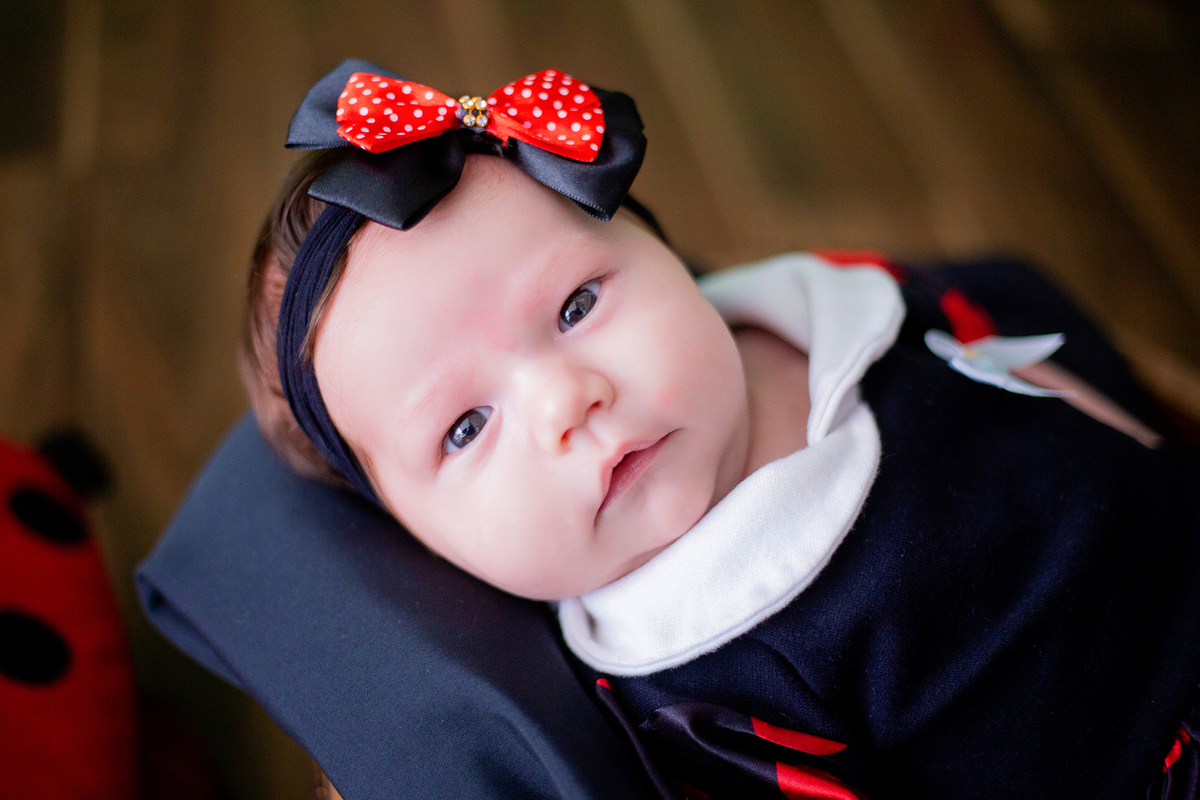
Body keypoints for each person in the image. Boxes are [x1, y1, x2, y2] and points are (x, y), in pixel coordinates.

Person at [240, 59, 1200, 799]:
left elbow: (1005, 355)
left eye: (576, 305)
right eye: (465, 429)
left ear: (662, 253)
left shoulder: (825, 305)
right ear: (416, 539)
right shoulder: (702, 687)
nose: (566, 400)